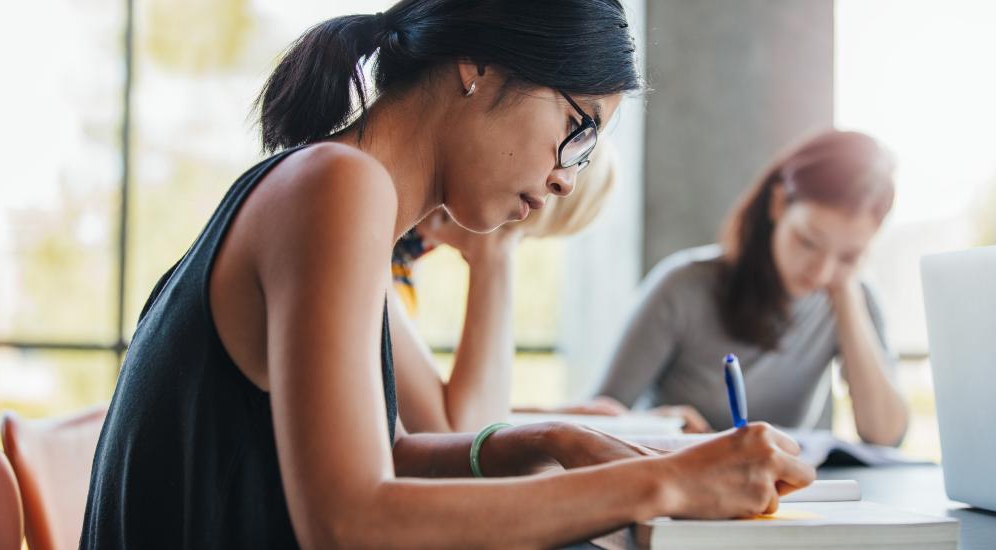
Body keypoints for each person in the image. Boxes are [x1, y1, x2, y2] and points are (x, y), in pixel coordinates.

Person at [81, 2, 814, 548]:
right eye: (577, 129)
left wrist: (550, 440)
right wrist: (663, 479)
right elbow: (348, 520)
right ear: (477, 66)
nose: (565, 179)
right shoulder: (337, 185)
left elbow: (388, 452)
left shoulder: (335, 187)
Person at [590, 130, 909, 445]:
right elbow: (595, 420)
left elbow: (885, 436)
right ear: (779, 203)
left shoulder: (852, 296)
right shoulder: (684, 286)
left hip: (781, 492)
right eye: (808, 242)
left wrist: (846, 296)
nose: (822, 271)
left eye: (849, 256)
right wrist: (657, 427)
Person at [391, 141, 627, 434]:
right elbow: (466, 437)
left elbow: (400, 407)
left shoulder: (403, 256)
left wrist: (545, 416)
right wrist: (493, 255)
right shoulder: (379, 250)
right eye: (519, 235)